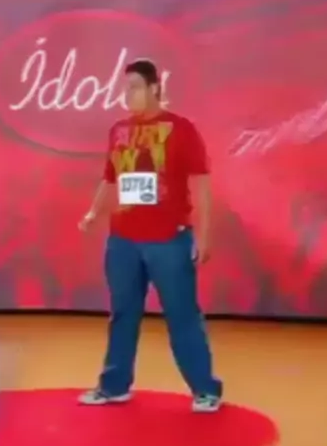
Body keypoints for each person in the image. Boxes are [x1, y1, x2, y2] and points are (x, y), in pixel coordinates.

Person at [78, 59, 223, 412]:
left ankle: (205, 390)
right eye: (125, 88)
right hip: (122, 240)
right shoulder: (118, 131)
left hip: (168, 240)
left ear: (154, 88)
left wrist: (204, 235)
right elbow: (110, 178)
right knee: (122, 313)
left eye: (135, 87)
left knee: (182, 315)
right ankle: (114, 386)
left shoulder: (181, 130)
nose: (127, 94)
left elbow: (201, 185)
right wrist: (94, 212)